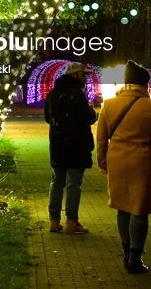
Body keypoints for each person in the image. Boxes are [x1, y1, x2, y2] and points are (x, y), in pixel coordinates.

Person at [96, 60, 151, 274]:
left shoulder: (109, 105)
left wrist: (102, 159)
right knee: (140, 208)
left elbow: (101, 137)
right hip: (144, 161)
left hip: (117, 160)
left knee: (122, 205)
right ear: (144, 84)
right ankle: (135, 257)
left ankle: (126, 252)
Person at [44, 61, 99, 234]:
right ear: (74, 75)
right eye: (83, 74)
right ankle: (71, 222)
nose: (85, 78)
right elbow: (86, 118)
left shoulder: (54, 93)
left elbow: (47, 117)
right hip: (77, 145)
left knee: (57, 181)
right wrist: (92, 112)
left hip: (58, 143)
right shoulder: (77, 94)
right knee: (73, 183)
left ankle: (53, 220)